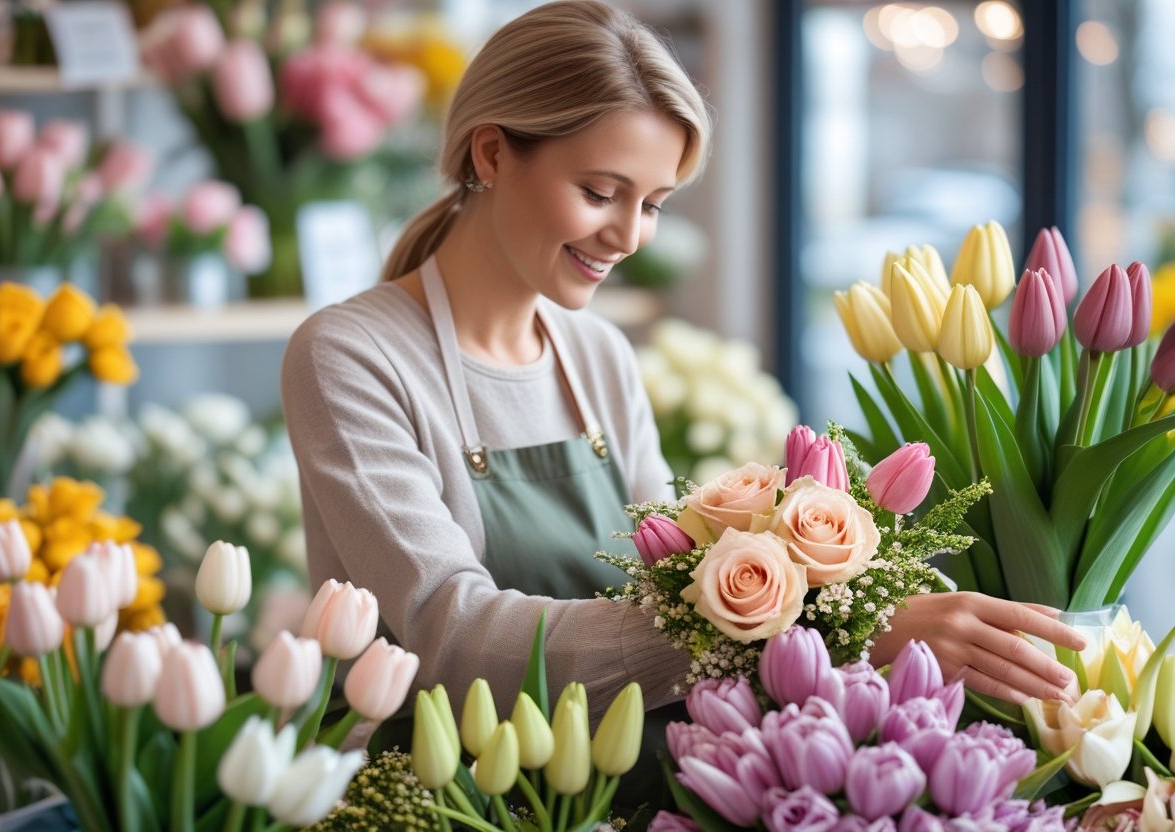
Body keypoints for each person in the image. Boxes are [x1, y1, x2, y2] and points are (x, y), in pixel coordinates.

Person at [281, 0, 1083, 745]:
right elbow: (453, 635)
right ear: (491, 153)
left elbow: (661, 586)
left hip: (603, 774)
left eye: (654, 203)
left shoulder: (594, 357)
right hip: (438, 788)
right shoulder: (353, 356)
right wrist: (825, 624)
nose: (629, 236)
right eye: (601, 192)